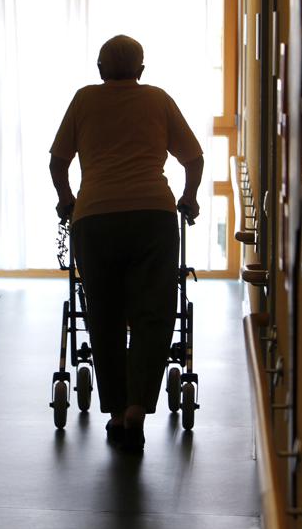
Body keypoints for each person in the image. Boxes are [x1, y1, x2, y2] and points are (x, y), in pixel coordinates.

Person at [49, 34, 204, 452]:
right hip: (153, 217)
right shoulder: (158, 99)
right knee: (154, 312)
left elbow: (58, 162)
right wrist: (189, 197)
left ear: (100, 69)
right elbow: (193, 158)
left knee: (105, 315)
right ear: (141, 70)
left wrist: (67, 199)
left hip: (95, 219)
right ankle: (137, 408)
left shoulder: (84, 100)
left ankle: (116, 412)